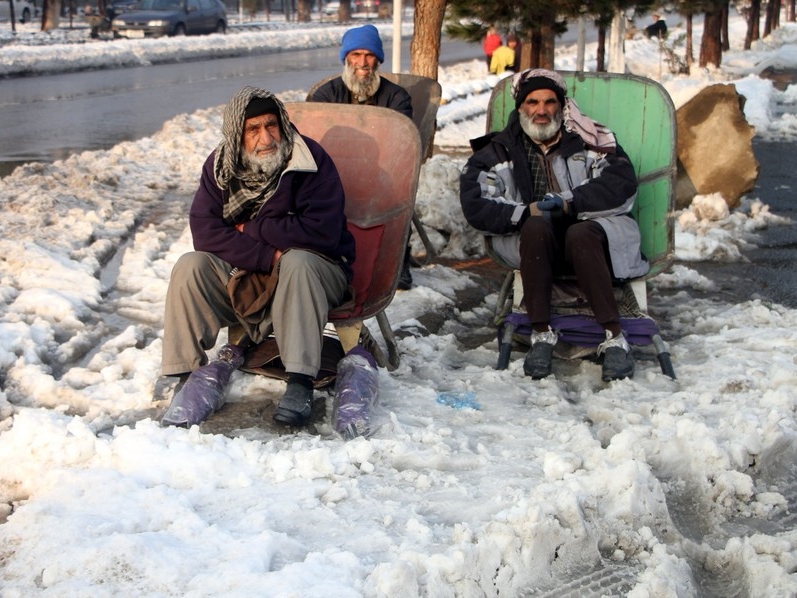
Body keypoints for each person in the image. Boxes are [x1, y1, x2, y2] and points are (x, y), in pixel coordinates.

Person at [156, 86, 356, 427]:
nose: (266, 137)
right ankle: (184, 375)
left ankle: (300, 380)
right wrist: (266, 255)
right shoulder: (220, 167)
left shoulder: (309, 160)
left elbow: (321, 232)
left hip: (316, 275)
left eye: (271, 125)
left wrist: (250, 230)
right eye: (253, 129)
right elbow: (205, 233)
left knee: (298, 261)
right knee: (191, 265)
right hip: (252, 272)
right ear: (238, 134)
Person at [459, 68, 649, 382]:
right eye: (533, 102)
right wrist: (525, 212)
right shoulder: (494, 153)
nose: (542, 110)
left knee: (580, 233)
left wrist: (569, 202)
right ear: (520, 107)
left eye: (549, 102)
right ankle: (541, 334)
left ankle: (614, 337)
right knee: (535, 226)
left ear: (561, 106)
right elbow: (476, 204)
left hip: (592, 239)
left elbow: (620, 185)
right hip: (532, 242)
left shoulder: (593, 142)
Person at [308, 23, 416, 290]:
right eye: (356, 55)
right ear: (346, 58)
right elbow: (316, 138)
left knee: (397, 194)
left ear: (378, 60)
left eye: (369, 56)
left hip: (380, 172)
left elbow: (399, 142)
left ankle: (397, 261)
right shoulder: (325, 94)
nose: (363, 62)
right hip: (335, 171)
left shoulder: (396, 97)